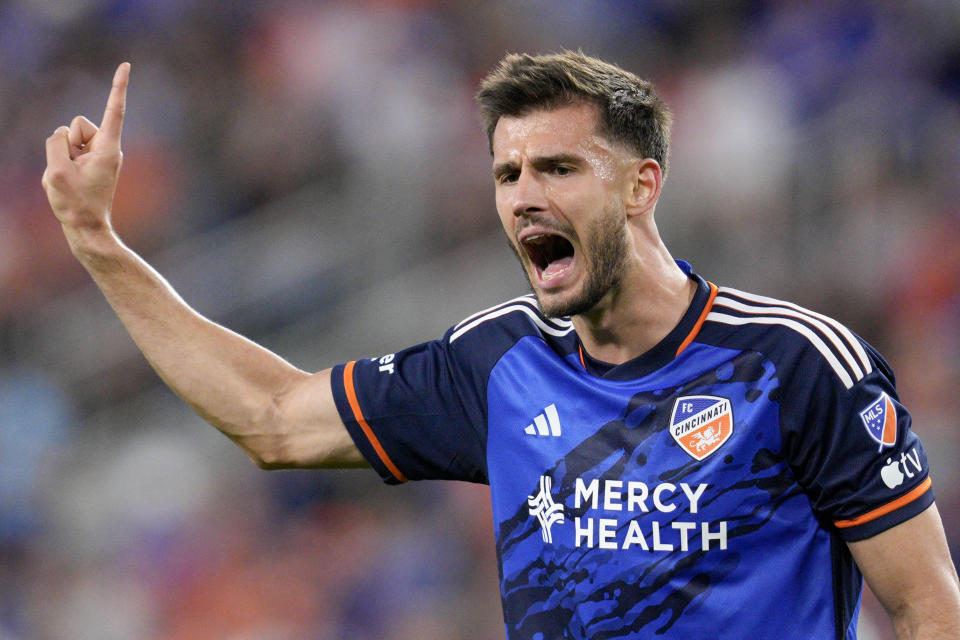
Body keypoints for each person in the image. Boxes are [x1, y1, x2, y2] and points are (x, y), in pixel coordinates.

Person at [42, 51, 960, 639]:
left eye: (559, 167)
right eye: (507, 172)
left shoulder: (795, 365)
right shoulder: (500, 361)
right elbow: (273, 419)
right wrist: (99, 246)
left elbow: (926, 606)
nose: (524, 195)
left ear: (642, 186)